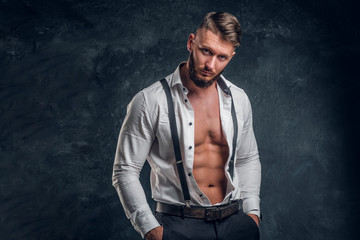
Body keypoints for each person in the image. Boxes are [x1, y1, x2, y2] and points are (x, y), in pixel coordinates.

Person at [112, 12, 261, 240]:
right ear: (191, 42)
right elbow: (125, 170)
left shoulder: (239, 99)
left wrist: (252, 214)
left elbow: (248, 158)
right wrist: (150, 229)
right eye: (206, 51)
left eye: (221, 57)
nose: (210, 65)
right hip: (179, 225)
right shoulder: (150, 101)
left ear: (231, 56)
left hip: (235, 223)